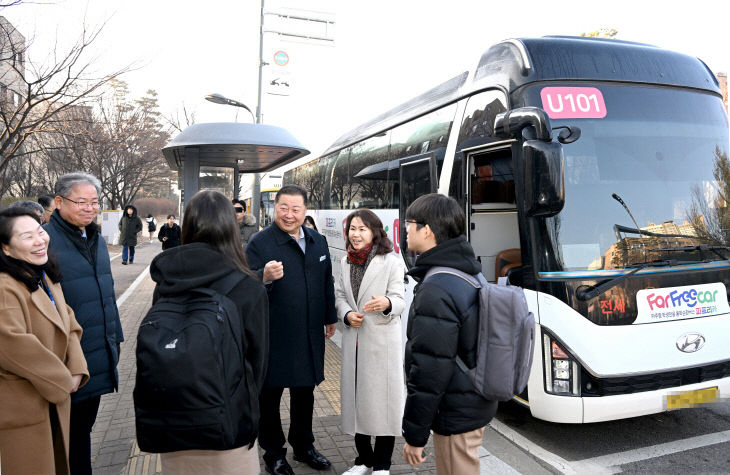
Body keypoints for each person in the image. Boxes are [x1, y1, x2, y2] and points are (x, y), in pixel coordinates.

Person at [148, 190, 269, 475]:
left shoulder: (166, 279)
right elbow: (258, 362)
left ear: (187, 225)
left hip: (173, 415)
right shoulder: (248, 286)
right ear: (231, 227)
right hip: (229, 420)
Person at [401, 193, 497, 475]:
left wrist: (415, 436)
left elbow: (430, 369)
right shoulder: (466, 271)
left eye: (409, 223)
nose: (405, 229)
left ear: (426, 230)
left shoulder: (437, 287)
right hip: (471, 398)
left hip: (456, 409)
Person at [245, 184, 337, 475]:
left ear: (305, 211)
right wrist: (263, 276)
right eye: (283, 207)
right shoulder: (260, 243)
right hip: (273, 334)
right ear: (275, 208)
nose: (289, 214)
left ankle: (304, 446)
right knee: (269, 397)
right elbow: (243, 285)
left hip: (309, 332)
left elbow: (327, 282)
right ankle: (273, 453)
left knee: (304, 393)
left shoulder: (317, 240)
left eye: (296, 209)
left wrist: (330, 316)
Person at [44, 172, 124, 475]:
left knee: (82, 431)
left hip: (98, 350)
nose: (90, 209)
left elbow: (106, 295)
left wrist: (114, 339)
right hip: (65, 357)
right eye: (82, 202)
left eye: (95, 202)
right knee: (67, 436)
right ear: (59, 202)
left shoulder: (94, 239)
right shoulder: (44, 241)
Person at [0, 208, 89, 474]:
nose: (40, 240)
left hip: (52, 399)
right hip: (24, 407)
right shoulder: (6, 286)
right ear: (5, 248)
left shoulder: (42, 275)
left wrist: (77, 369)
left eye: (40, 231)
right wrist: (63, 380)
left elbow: (69, 322)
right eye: (27, 236)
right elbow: (12, 345)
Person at [335, 209, 405, 475]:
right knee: (356, 402)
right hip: (354, 341)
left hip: (381, 344)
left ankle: (382, 465)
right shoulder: (344, 262)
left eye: (362, 229)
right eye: (352, 228)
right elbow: (340, 296)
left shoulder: (391, 261)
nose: (356, 234)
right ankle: (363, 460)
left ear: (375, 232)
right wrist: (345, 313)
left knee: (383, 404)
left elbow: (399, 299)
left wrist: (387, 303)